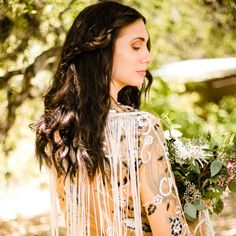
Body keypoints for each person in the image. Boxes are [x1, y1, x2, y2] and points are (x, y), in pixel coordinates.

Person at [34, 1, 205, 235]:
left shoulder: (58, 130)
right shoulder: (140, 128)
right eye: (136, 46)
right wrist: (198, 215)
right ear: (102, 50)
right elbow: (171, 231)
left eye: (147, 46)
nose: (148, 56)